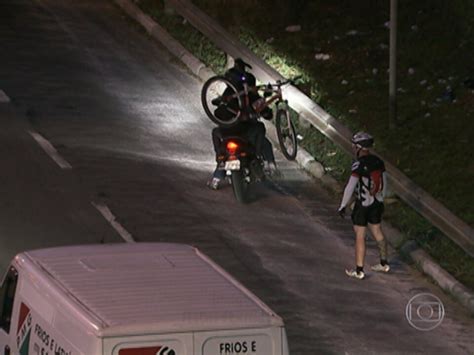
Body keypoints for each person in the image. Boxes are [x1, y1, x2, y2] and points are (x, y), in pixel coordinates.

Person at [208, 58, 277, 190]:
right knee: (261, 132)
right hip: (245, 132)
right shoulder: (249, 96)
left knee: (216, 135)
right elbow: (266, 113)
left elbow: (216, 111)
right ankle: (264, 162)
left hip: (227, 132)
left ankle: (218, 170)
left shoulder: (227, 96)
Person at [337, 132, 390, 280]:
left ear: (359, 147)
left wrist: (342, 205)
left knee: (360, 236)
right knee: (377, 230)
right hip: (377, 203)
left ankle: (359, 270)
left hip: (363, 204)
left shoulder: (358, 164)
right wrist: (381, 199)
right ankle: (384, 263)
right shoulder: (379, 162)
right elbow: (385, 184)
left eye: (354, 146)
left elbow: (350, 186)